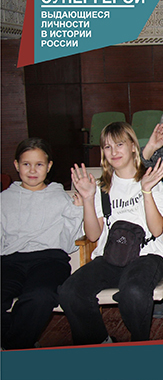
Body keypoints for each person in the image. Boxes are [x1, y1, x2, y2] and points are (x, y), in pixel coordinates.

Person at [59, 122, 163, 345]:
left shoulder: (150, 180)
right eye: (107, 147)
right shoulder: (102, 187)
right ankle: (101, 341)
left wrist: (146, 191)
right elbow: (93, 236)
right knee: (70, 291)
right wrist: (88, 199)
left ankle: (139, 345)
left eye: (119, 144)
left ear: (133, 147)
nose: (114, 152)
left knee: (134, 291)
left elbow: (157, 229)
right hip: (110, 257)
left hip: (146, 256)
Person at [1, 138, 83, 350]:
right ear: (16, 165)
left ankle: (13, 346)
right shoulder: (4, 199)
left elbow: (70, 244)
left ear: (49, 166)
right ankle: (19, 339)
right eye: (26, 164)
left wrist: (77, 211)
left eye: (39, 164)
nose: (32, 170)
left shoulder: (60, 197)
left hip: (50, 260)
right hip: (10, 261)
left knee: (40, 296)